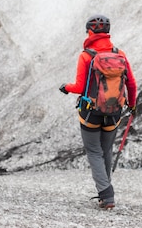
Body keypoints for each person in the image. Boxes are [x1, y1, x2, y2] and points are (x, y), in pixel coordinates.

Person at [59, 14, 137, 210]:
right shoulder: (120, 54)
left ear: (91, 32)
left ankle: (106, 194)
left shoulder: (86, 56)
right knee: (106, 150)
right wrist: (132, 104)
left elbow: (79, 86)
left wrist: (65, 87)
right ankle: (106, 191)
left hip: (91, 112)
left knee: (94, 151)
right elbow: (132, 83)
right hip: (114, 112)